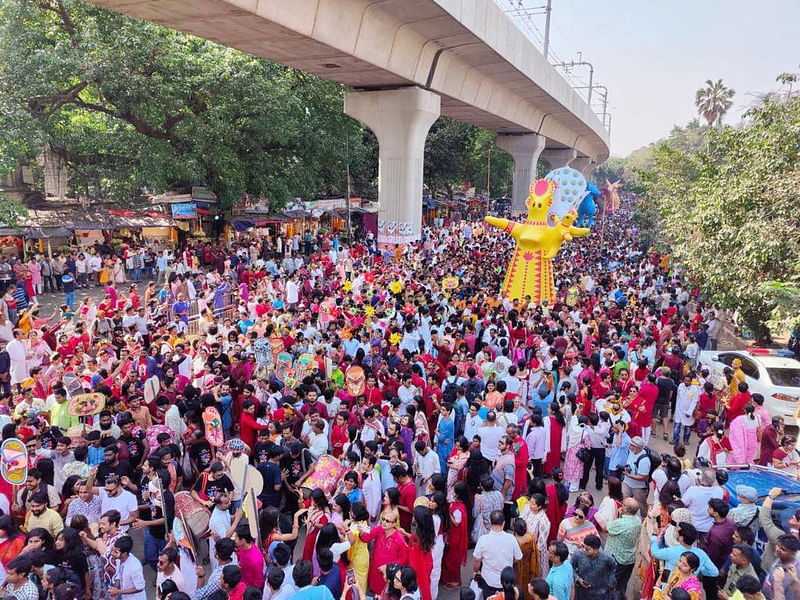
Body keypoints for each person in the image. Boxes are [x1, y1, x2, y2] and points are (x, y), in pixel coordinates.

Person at [473, 510, 523, 599]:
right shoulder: (511, 539)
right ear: (503, 523)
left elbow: (477, 560)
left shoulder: (483, 540)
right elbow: (518, 557)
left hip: (488, 579)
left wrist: (476, 571)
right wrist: (509, 561)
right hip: (506, 580)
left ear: (490, 522)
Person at [605, 499, 642, 600]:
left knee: (610, 583)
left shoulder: (620, 523)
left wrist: (619, 515)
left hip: (617, 558)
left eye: (623, 505)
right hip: (630, 558)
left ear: (625, 508)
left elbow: (607, 528)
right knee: (622, 584)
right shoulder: (638, 520)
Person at [570, 534, 616, 600]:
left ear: (596, 550)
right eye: (583, 547)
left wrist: (611, 580)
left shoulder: (606, 557)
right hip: (582, 592)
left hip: (601, 592)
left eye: (587, 549)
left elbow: (613, 566)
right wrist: (578, 579)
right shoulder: (577, 554)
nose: (584, 550)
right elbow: (571, 568)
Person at [110, 536, 146, 600]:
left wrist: (118, 592)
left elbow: (140, 588)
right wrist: (115, 590)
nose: (112, 554)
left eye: (116, 552)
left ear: (124, 553)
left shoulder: (134, 566)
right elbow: (119, 575)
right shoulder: (119, 559)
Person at [621, 436, 650, 517]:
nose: (629, 447)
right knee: (624, 502)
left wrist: (629, 475)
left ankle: (644, 521)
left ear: (638, 448)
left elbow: (644, 477)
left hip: (638, 488)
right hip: (627, 483)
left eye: (632, 446)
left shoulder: (644, 461)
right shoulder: (632, 451)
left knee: (642, 506)